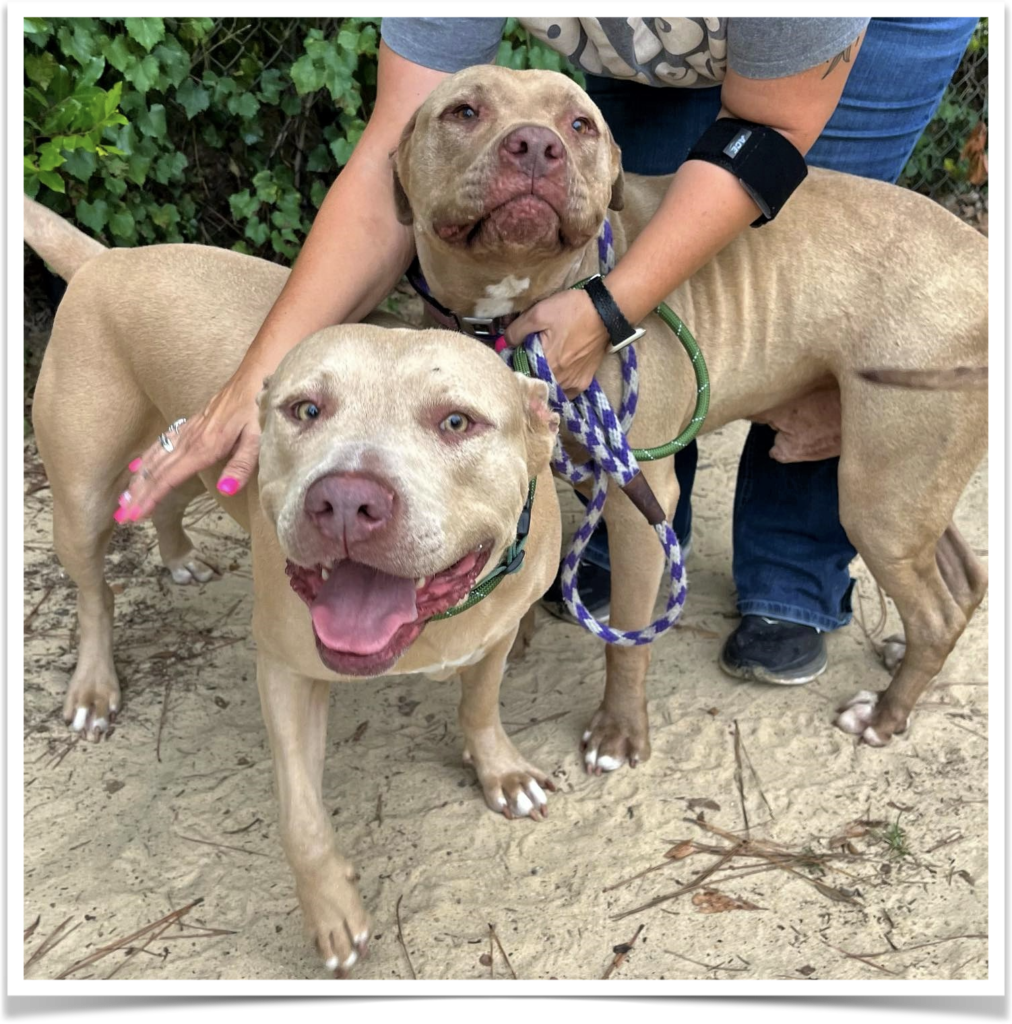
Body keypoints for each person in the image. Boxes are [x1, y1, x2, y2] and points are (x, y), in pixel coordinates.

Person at [117, 16, 979, 685]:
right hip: (647, 54)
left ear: (610, 190)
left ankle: (805, 596)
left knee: (883, 510)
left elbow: (771, 133)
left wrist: (609, 304)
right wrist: (251, 384)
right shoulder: (454, 165)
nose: (533, 147)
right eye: (467, 116)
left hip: (850, 102)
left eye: (570, 138)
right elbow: (386, 156)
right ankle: (586, 557)